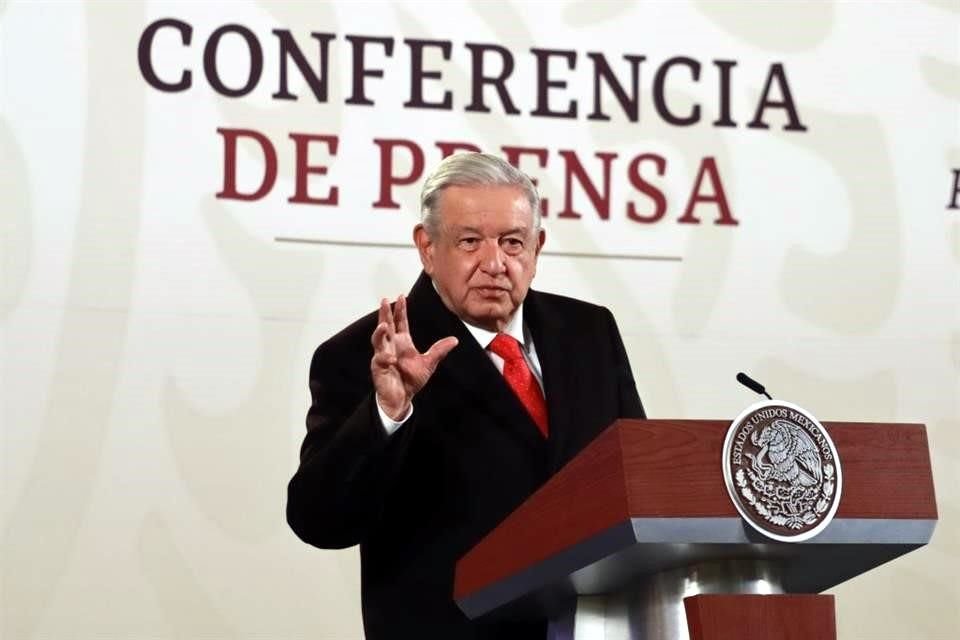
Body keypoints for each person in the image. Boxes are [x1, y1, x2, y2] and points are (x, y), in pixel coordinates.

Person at [286, 152, 645, 640]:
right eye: (470, 241)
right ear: (428, 248)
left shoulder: (589, 332)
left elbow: (636, 482)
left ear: (537, 248)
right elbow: (320, 520)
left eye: (513, 242)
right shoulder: (361, 355)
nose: (494, 263)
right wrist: (388, 412)